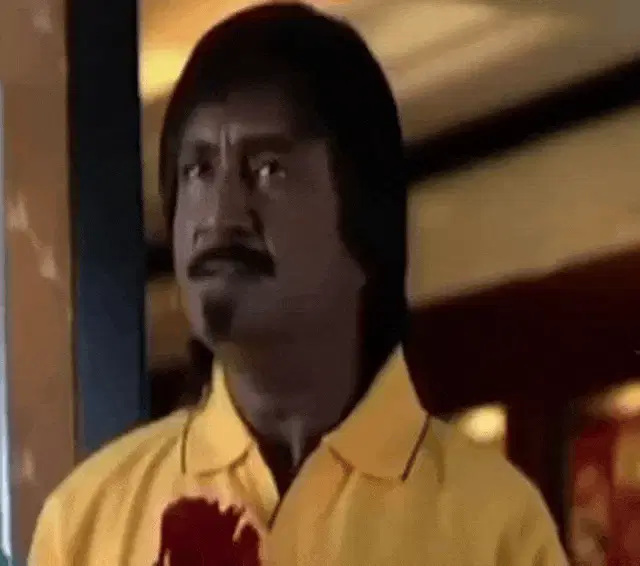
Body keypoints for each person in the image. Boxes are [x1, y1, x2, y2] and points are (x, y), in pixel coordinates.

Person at [28, 3, 569, 564]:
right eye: (199, 170)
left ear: (365, 220)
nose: (220, 215)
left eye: (268, 169)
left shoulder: (495, 525)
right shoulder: (88, 518)